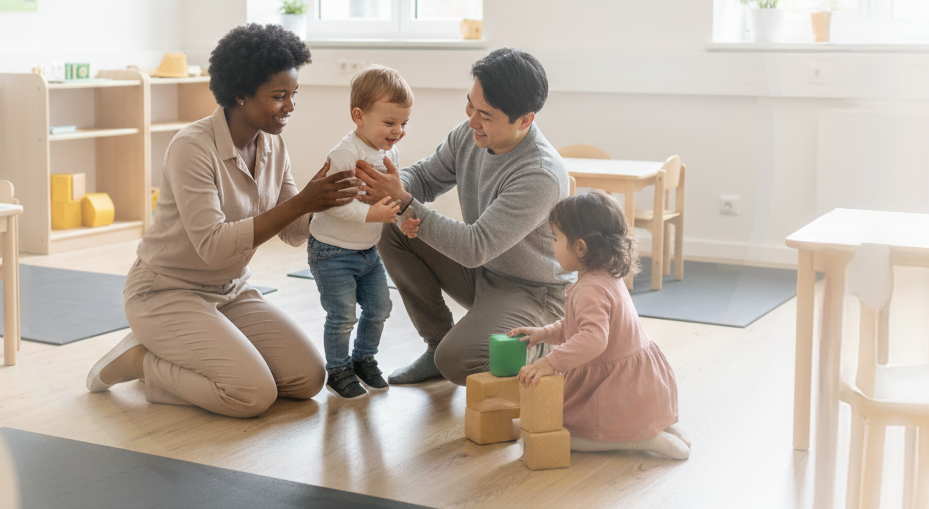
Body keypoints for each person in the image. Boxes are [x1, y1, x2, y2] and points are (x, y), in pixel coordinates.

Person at [83, 23, 362, 418]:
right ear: (240, 94)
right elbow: (213, 246)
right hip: (165, 292)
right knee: (252, 395)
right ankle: (142, 362)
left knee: (308, 379)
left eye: (294, 94)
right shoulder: (191, 148)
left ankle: (195, 353)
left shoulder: (273, 144)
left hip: (230, 291)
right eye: (279, 96)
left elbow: (294, 232)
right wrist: (302, 202)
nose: (291, 106)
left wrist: (334, 199)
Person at [353, 48, 571, 386]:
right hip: (482, 273)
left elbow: (475, 246)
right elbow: (422, 178)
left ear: (524, 120)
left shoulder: (539, 174)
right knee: (390, 224)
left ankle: (555, 347)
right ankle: (437, 341)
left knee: (457, 361)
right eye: (470, 104)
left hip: (531, 291)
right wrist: (384, 187)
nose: (472, 121)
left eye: (486, 114)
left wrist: (402, 198)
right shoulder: (469, 135)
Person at [509, 191, 688, 459]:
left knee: (554, 431)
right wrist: (544, 333)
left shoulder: (590, 289)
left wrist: (550, 363)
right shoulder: (605, 276)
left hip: (613, 390)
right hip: (641, 384)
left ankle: (643, 441)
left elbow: (592, 339)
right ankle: (658, 427)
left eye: (556, 238)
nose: (552, 244)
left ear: (580, 247)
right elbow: (578, 327)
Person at [306, 67, 418, 398]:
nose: (398, 131)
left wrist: (401, 219)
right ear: (359, 116)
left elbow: (387, 200)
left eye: (403, 123)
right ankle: (338, 369)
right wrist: (374, 213)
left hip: (368, 251)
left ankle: (363, 359)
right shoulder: (346, 154)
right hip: (332, 251)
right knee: (342, 316)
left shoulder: (389, 153)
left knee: (380, 308)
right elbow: (332, 203)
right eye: (389, 123)